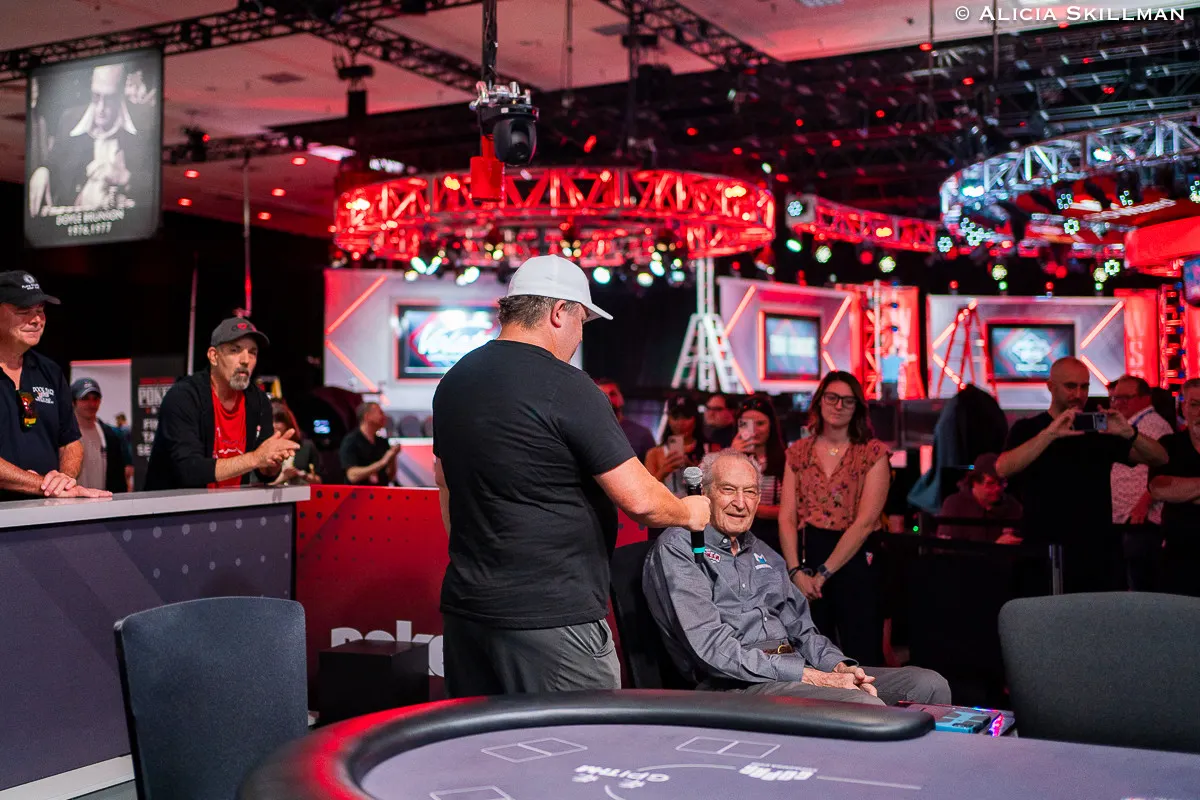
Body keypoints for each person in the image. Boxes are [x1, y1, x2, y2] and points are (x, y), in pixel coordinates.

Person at [431, 254, 710, 697]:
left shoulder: (455, 381)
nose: (581, 335)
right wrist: (690, 512)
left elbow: (444, 481)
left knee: (486, 739)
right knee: (583, 739)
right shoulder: (570, 386)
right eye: (582, 320)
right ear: (559, 312)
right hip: (552, 618)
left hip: (469, 611)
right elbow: (640, 500)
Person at [644, 450, 950, 706]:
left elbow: (803, 631)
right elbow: (712, 648)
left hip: (794, 671)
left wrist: (837, 666)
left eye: (750, 492)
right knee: (863, 705)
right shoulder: (679, 547)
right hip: (735, 685)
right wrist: (810, 676)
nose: (740, 502)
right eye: (728, 490)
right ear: (704, 494)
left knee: (928, 686)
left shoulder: (764, 553)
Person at [996, 357, 1167, 593]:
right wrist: (1049, 435)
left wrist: (1129, 432)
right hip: (1045, 551)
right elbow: (1003, 468)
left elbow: (1161, 458)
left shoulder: (1097, 430)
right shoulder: (1029, 428)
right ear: (1051, 386)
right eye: (1070, 386)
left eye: (1084, 387)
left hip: (1096, 552)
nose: (1078, 394)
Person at [778, 371, 890, 665]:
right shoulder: (798, 452)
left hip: (856, 556)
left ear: (857, 408)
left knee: (863, 652)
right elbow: (786, 517)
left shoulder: (872, 453)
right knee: (813, 654)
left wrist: (824, 574)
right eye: (832, 397)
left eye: (847, 400)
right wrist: (795, 572)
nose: (839, 405)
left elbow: (865, 522)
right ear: (819, 401)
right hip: (809, 555)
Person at [145, 318, 297, 490]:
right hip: (174, 504)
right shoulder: (184, 396)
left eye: (252, 352)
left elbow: (264, 472)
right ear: (214, 356)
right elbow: (189, 470)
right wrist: (255, 458)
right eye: (235, 350)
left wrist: (272, 463)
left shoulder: (259, 401)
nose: (245, 360)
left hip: (230, 505)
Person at [0, 271, 107, 501]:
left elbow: (71, 443)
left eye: (40, 311)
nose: (36, 320)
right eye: (23, 311)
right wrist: (39, 485)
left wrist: (64, 480)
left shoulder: (49, 372)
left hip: (46, 516)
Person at [1108, 375, 1174, 591]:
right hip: (1125, 519)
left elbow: (1164, 470)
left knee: (1140, 587)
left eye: (1126, 398)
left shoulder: (1154, 426)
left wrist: (1143, 504)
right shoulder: (1127, 424)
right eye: (1115, 398)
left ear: (1145, 398)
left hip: (1141, 521)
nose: (1119, 403)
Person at [1148, 378, 1200, 597]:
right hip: (1178, 560)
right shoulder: (1170, 444)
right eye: (1195, 405)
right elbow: (1158, 488)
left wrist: (1184, 490)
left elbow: (1171, 489)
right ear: (1184, 408)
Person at [729, 395, 786, 551]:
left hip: (774, 538)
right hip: (735, 535)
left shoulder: (786, 459)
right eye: (746, 424)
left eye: (760, 423)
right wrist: (731, 457)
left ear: (771, 425)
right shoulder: (728, 457)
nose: (753, 430)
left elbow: (791, 510)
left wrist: (755, 509)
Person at [937, 453, 1022, 543]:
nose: (998, 488)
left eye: (1001, 483)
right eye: (991, 483)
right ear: (975, 482)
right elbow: (945, 547)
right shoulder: (954, 504)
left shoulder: (1012, 506)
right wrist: (995, 547)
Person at [71, 378, 132, 494]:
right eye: (85, 399)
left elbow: (119, 479)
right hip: (69, 502)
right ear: (73, 402)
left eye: (95, 398)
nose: (91, 404)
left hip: (104, 501)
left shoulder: (110, 435)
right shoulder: (62, 434)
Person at [645, 395, 711, 497]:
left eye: (686, 417)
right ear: (669, 419)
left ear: (695, 419)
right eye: (675, 417)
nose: (680, 423)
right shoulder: (654, 453)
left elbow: (716, 489)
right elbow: (647, 492)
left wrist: (692, 469)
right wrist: (664, 471)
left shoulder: (710, 450)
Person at [594, 378, 656, 463]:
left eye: (612, 394)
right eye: (603, 395)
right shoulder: (588, 433)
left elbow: (653, 467)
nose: (608, 398)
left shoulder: (643, 434)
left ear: (621, 398)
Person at [340, 402, 401, 485]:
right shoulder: (351, 441)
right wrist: (382, 462)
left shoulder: (382, 442)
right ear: (367, 416)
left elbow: (390, 476)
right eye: (380, 413)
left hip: (380, 491)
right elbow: (352, 476)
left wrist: (392, 456)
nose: (384, 417)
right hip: (359, 492)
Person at [270, 401, 322, 486]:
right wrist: (283, 477)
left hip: (301, 493)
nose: (273, 425)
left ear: (288, 423)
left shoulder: (306, 446)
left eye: (278, 421)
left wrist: (303, 475)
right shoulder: (263, 448)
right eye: (270, 421)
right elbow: (257, 486)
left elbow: (319, 481)